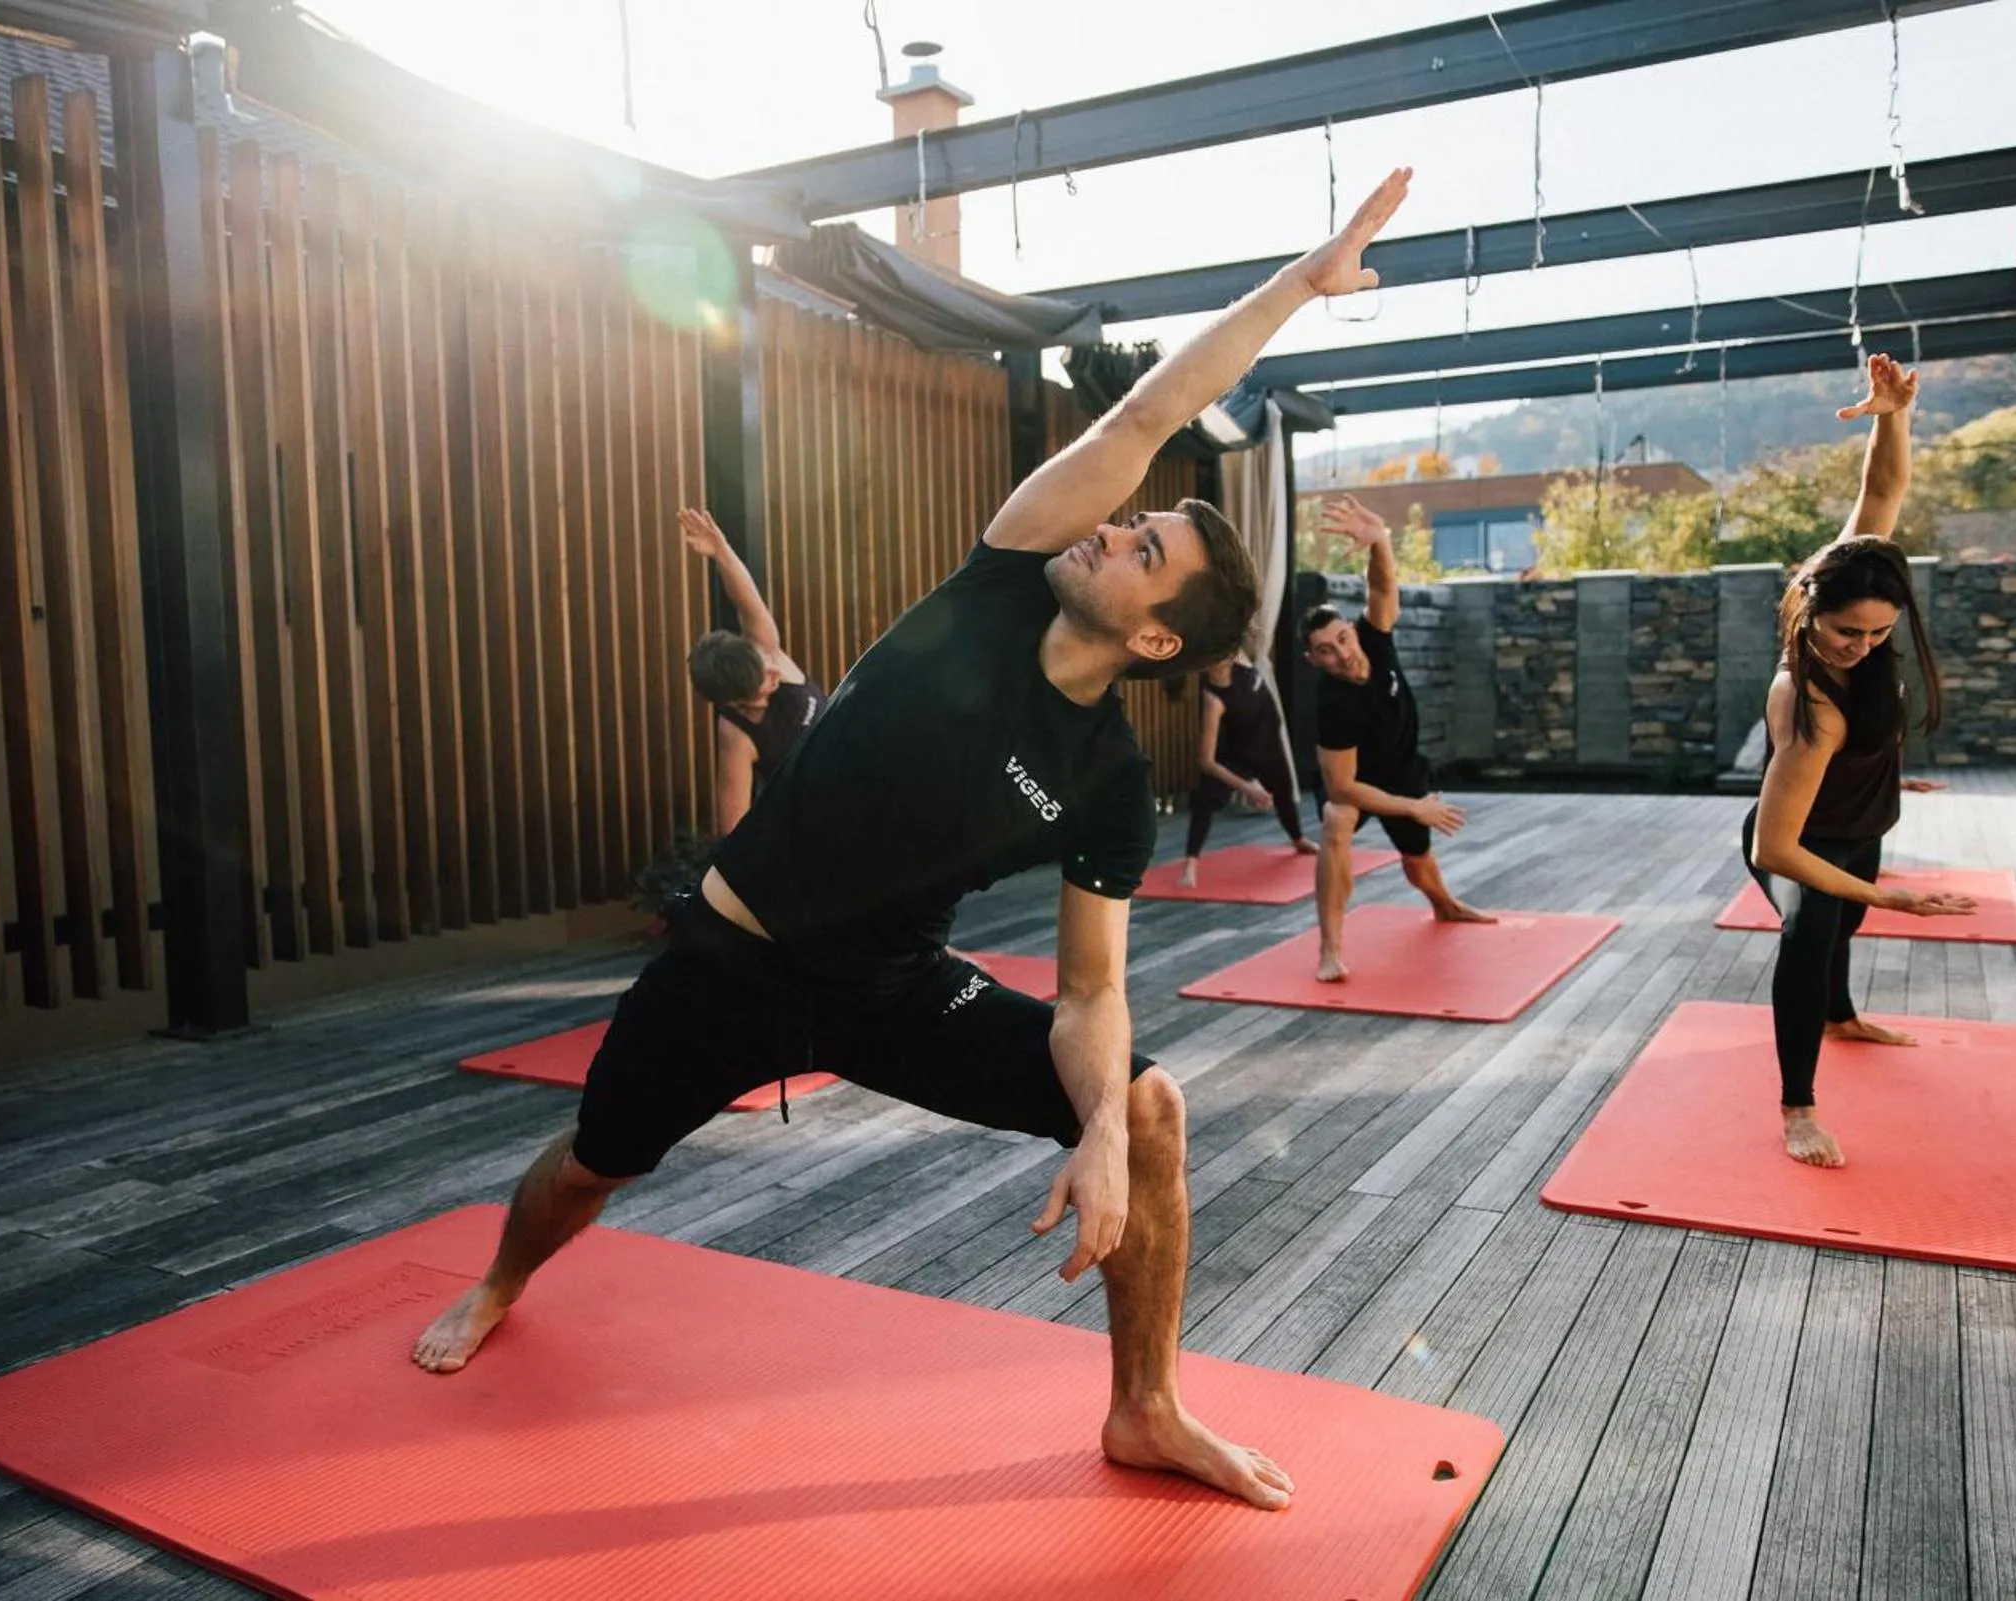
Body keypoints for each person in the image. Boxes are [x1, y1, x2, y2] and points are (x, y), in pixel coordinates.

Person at [412, 167, 1420, 1512]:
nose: (1115, 523)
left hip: (890, 988)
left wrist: (1102, 1135)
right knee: (589, 1165)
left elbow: (1088, 990)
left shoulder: (1105, 783)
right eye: (1133, 515)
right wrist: (1300, 283)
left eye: (1143, 545)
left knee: (1150, 1103)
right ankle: (498, 1283)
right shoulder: (1005, 581)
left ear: (1156, 635)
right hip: (733, 961)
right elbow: (1149, 407)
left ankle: (1145, 1407)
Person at [1744, 352, 1974, 1169]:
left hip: (1861, 817)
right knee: (1809, 929)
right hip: (1800, 835)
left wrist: (1893, 415)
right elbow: (1776, 847)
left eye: (1879, 633)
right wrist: (1898, 898)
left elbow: (1878, 501)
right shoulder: (1806, 702)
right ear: (1809, 610)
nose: (1863, 645)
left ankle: (1841, 1017)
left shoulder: (1851, 584)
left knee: (1845, 923)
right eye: (1848, 632)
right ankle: (1796, 1105)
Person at [1302, 494, 1491, 983]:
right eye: (1325, 652)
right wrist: (1414, 806)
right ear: (1313, 661)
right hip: (1359, 782)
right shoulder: (1331, 705)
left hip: (1402, 766)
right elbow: (1344, 788)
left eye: (1342, 639)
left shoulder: (1375, 638)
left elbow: (1382, 585)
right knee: (1335, 818)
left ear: (1352, 631)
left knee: (1418, 860)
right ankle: (1330, 947)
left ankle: (1445, 906)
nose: (1341, 655)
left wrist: (1380, 541)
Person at [681, 506, 828, 836]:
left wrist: (720, 551)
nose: (776, 671)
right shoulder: (736, 735)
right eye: (766, 681)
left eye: (767, 664)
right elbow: (733, 829)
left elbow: (747, 600)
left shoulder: (765, 648)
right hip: (819, 825)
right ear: (737, 702)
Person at [1177, 650, 1314, 887]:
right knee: (1205, 799)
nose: (1222, 659)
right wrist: (1247, 788)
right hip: (1236, 756)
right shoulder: (1214, 700)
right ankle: (1191, 863)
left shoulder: (1241, 657)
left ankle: (1298, 839)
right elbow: (1207, 761)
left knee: (1284, 791)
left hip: (1268, 746)